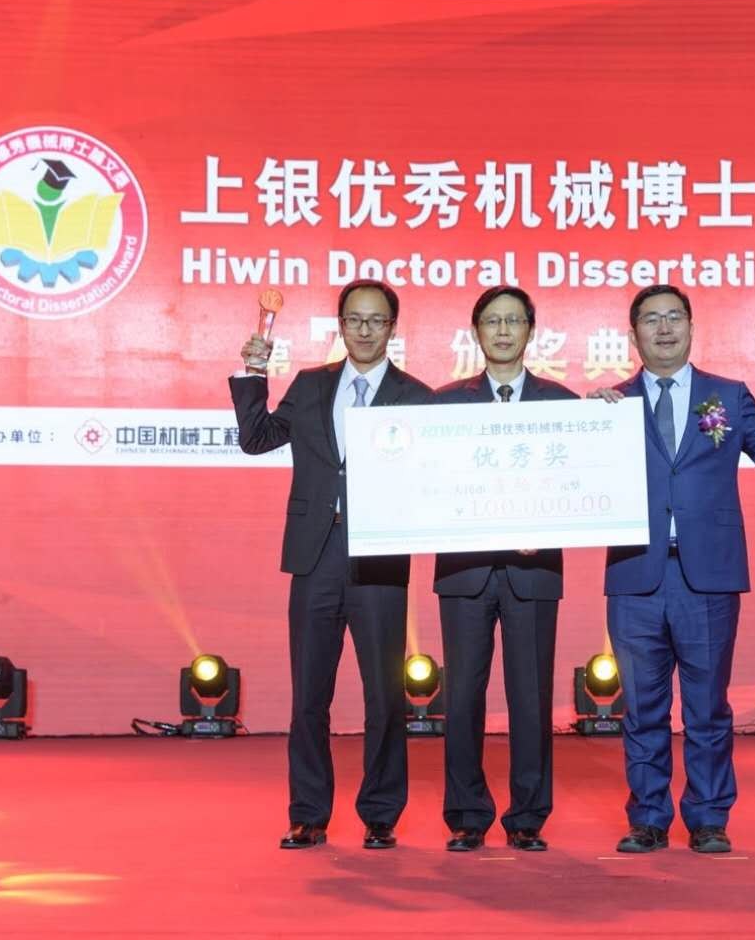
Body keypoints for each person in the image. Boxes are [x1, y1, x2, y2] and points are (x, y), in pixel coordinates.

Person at [591, 284, 755, 854]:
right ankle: (648, 819)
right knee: (642, 710)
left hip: (707, 577)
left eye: (674, 318)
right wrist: (586, 424)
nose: (664, 329)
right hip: (636, 575)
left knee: (707, 707)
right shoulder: (610, 404)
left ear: (691, 327)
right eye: (651, 320)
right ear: (632, 334)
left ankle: (709, 818)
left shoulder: (726, 395)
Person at [230, 280, 433, 851]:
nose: (364, 330)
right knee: (309, 696)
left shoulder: (417, 397)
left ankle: (381, 814)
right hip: (314, 555)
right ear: (340, 325)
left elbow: (434, 476)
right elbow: (257, 439)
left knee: (384, 697)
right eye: (354, 319)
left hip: (380, 559)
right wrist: (253, 374)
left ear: (392, 328)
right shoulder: (311, 384)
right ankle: (308, 814)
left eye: (376, 320)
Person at [430, 286, 577, 853]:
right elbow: (427, 484)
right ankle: (467, 815)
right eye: (492, 321)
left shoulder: (563, 403)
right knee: (462, 697)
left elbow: (578, 483)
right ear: (476, 333)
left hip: (533, 573)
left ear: (530, 331)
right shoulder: (443, 405)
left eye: (513, 321)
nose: (503, 331)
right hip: (464, 571)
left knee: (531, 698)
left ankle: (528, 817)